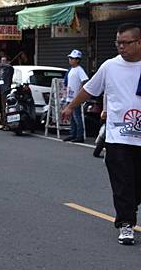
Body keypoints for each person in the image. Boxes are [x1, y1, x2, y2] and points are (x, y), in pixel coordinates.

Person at [62, 23, 141, 246]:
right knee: (122, 181)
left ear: (139, 42)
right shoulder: (110, 66)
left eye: (126, 43)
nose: (121, 47)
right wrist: (70, 107)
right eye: (118, 43)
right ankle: (126, 224)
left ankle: (129, 206)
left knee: (136, 184)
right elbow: (89, 90)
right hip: (117, 136)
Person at [63, 49, 89, 143]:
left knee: (77, 116)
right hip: (70, 96)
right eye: (70, 58)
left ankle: (79, 136)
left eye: (72, 58)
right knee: (71, 117)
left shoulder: (79, 70)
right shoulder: (71, 70)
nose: (70, 60)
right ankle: (73, 134)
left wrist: (80, 92)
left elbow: (85, 80)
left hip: (76, 98)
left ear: (77, 60)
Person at [0, 56, 14, 130]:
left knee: (5, 107)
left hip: (6, 90)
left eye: (4, 61)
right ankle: (3, 123)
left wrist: (2, 64)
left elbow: (10, 66)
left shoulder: (9, 69)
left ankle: (7, 124)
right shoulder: (1, 70)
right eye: (1, 61)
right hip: (1, 90)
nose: (2, 62)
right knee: (1, 108)